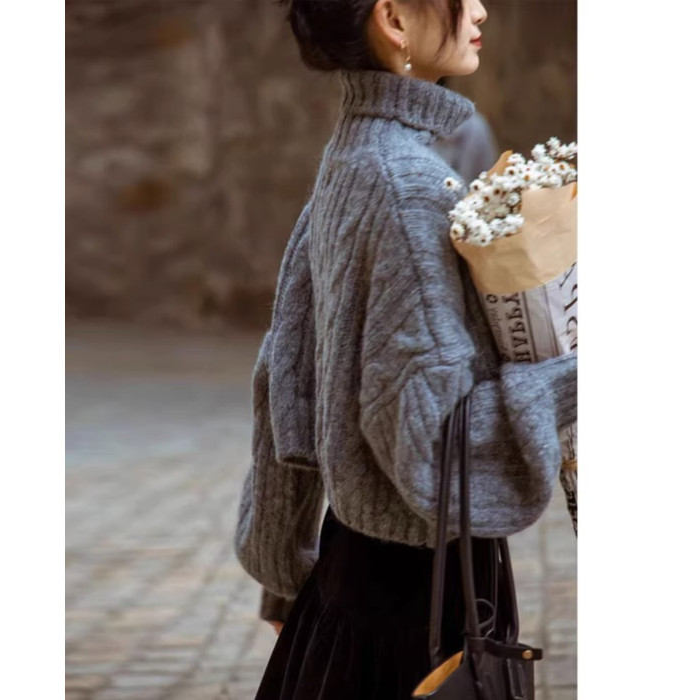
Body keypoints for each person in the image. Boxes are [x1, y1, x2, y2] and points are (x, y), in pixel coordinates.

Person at [233, 1, 577, 697]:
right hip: (422, 598)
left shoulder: (351, 161)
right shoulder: (411, 187)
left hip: (348, 582)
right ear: (393, 19)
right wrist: (575, 381)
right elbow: (431, 442)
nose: (479, 9)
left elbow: (285, 378)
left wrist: (282, 570)